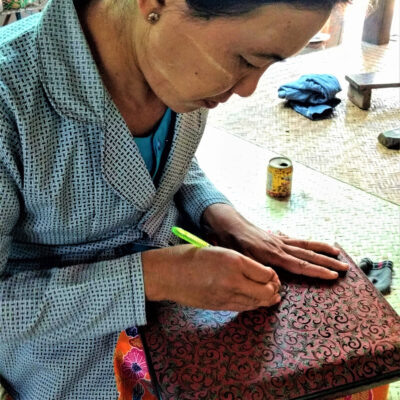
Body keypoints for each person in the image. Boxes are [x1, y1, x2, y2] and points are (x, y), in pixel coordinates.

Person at [0, 0, 350, 398]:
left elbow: (162, 161)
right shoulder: (10, 98)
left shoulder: (173, 65)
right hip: (67, 356)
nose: (249, 89)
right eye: (246, 59)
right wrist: (154, 277)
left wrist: (221, 217)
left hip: (181, 313)